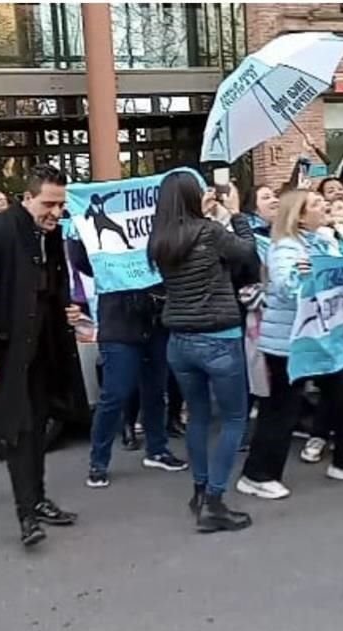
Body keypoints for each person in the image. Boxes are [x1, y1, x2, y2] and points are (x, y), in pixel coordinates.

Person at [0, 164, 88, 547]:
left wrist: (67, 307)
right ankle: (26, 515)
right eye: (48, 203)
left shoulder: (51, 235)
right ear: (27, 198)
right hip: (7, 355)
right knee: (18, 433)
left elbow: (50, 286)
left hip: (46, 351)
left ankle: (38, 499)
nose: (56, 212)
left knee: (38, 431)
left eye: (61, 205)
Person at [238, 190, 343, 501]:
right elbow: (287, 286)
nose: (325, 206)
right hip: (289, 344)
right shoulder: (285, 247)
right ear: (301, 216)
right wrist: (304, 274)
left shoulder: (324, 241)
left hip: (326, 339)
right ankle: (257, 475)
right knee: (281, 408)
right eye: (317, 204)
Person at [148, 171, 261, 533]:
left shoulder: (160, 239)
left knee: (197, 417)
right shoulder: (209, 232)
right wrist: (236, 213)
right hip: (219, 337)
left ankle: (199, 491)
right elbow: (246, 250)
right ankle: (214, 500)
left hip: (179, 341)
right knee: (232, 419)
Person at [65, 223, 188, 490]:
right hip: (118, 323)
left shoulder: (149, 229)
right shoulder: (97, 243)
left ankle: (157, 449)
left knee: (155, 389)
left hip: (154, 320)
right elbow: (83, 263)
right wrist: (77, 232)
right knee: (115, 393)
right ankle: (98, 462)